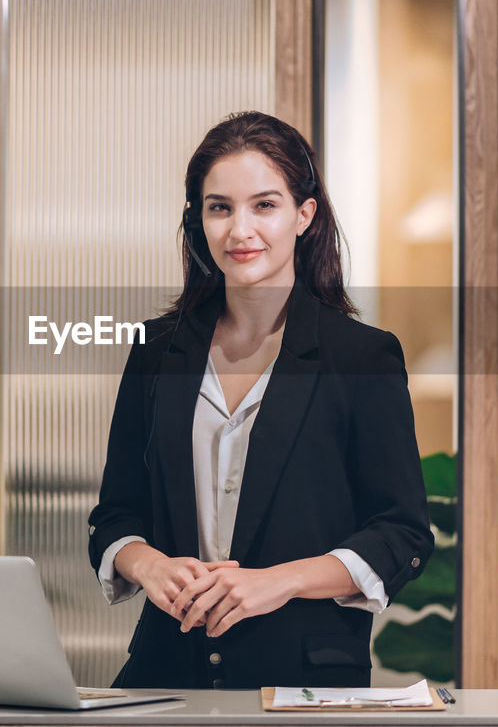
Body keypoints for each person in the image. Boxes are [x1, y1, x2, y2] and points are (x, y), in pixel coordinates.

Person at [86, 111, 433, 689]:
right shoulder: (155, 351)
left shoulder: (362, 356)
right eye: (219, 207)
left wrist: (281, 580)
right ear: (198, 220)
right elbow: (115, 515)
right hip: (164, 678)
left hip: (303, 682)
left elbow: (402, 533)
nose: (239, 230)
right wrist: (148, 565)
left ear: (305, 214)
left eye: (264, 205)